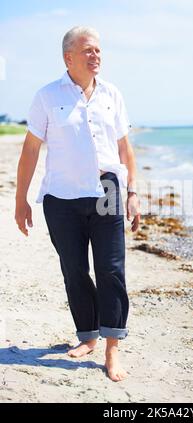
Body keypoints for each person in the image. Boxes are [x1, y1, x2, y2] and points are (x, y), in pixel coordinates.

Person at [15, 26, 140, 382]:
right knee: (74, 270)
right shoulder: (46, 96)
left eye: (99, 50)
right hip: (61, 198)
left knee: (111, 270)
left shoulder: (112, 94)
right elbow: (30, 150)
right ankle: (87, 336)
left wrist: (132, 192)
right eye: (88, 50)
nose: (96, 56)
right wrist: (21, 199)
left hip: (106, 191)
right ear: (68, 57)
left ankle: (112, 348)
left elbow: (124, 148)